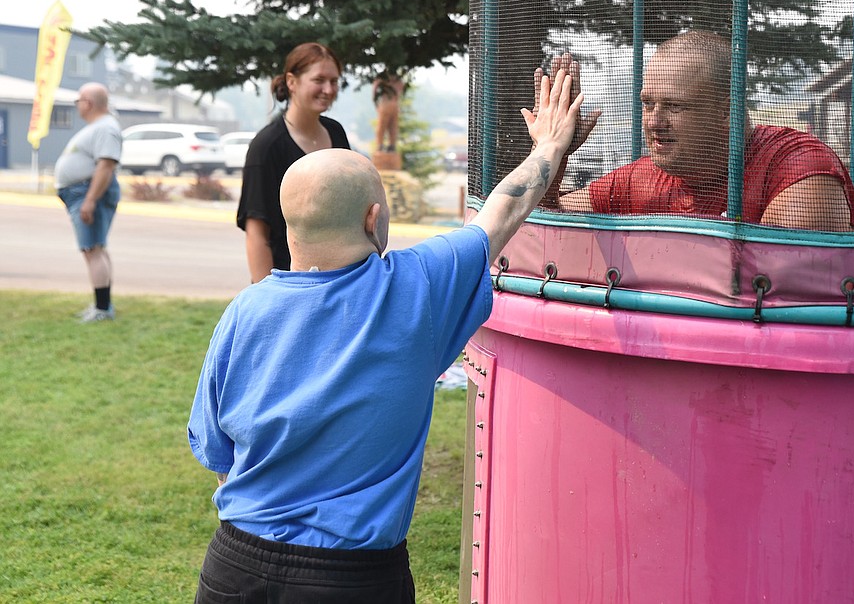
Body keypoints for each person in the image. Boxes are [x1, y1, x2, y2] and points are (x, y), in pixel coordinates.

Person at [187, 66, 585, 602]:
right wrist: (550, 147)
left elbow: (218, 457)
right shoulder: (415, 289)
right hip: (350, 579)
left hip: (234, 564)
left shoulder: (241, 312)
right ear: (374, 219)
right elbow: (503, 211)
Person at [538, 31, 854, 231]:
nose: (653, 122)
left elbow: (782, 286)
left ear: (726, 110)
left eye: (674, 106)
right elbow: (545, 226)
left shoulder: (795, 165)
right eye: (648, 103)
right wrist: (554, 152)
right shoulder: (638, 180)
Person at [238, 42, 351, 283]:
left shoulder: (337, 133)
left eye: (334, 81)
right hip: (291, 283)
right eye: (319, 80)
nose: (328, 89)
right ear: (291, 82)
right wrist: (267, 298)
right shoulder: (267, 147)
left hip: (341, 279)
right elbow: (257, 234)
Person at [54, 83, 122, 322]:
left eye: (78, 101)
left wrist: (90, 200)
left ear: (88, 102)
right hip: (82, 193)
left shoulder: (106, 127)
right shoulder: (99, 127)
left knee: (93, 249)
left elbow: (106, 165)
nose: (77, 106)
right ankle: (102, 305)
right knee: (95, 248)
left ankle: (102, 309)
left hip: (88, 193)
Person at [373, 73, 407, 152]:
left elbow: (374, 89)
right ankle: (390, 145)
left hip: (386, 104)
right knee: (392, 126)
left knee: (383, 126)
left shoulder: (382, 79)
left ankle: (381, 145)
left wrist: (376, 104)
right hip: (394, 104)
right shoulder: (398, 80)